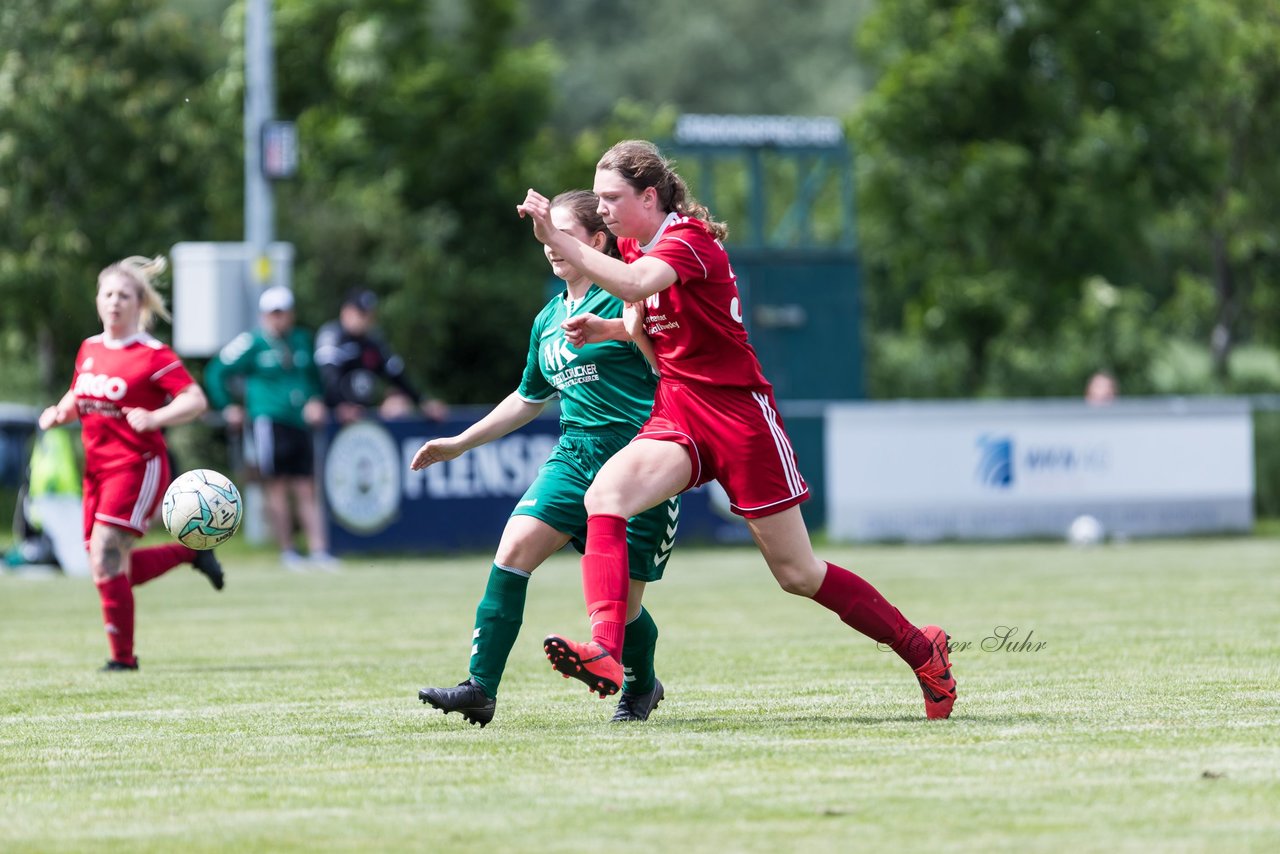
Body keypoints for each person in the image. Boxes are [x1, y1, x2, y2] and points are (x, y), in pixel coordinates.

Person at [517, 140, 957, 719]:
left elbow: (632, 285)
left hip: (738, 416)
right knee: (606, 495)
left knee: (797, 573)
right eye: (596, 198)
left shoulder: (687, 241)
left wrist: (560, 237)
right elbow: (638, 311)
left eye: (611, 197)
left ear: (649, 197)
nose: (601, 209)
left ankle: (921, 649)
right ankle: (604, 649)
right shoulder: (633, 240)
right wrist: (610, 330)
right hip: (678, 409)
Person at [412, 190, 676, 727]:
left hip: (639, 463)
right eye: (546, 237)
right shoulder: (548, 318)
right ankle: (479, 689)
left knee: (622, 611)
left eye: (564, 235)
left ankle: (642, 684)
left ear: (597, 241)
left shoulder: (628, 292)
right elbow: (529, 398)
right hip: (573, 457)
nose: (552, 248)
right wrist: (460, 443)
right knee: (512, 551)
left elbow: (666, 357)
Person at [37, 255, 223, 671]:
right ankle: (189, 555)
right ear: (98, 300)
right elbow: (78, 394)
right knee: (108, 569)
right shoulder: (89, 348)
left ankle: (123, 660)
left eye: (124, 295)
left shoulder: (152, 354)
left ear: (139, 303)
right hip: (97, 470)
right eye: (108, 294)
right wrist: (59, 412)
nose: (115, 302)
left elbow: (195, 400)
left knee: (106, 555)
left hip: (136, 466)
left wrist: (156, 417)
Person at [205, 286, 337, 571]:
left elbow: (314, 378)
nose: (278, 319)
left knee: (306, 486)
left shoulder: (301, 340)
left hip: (300, 421)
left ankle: (319, 550)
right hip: (269, 421)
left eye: (283, 313)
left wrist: (316, 400)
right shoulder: (252, 343)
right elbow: (217, 371)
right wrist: (228, 404)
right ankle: (288, 551)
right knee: (276, 484)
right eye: (273, 313)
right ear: (265, 315)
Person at [314, 288, 448, 425]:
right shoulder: (332, 335)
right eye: (361, 314)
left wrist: (422, 401)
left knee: (397, 406)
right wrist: (341, 405)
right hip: (331, 415)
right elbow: (328, 376)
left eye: (369, 315)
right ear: (346, 311)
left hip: (362, 413)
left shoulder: (374, 341)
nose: (366, 320)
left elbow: (396, 374)